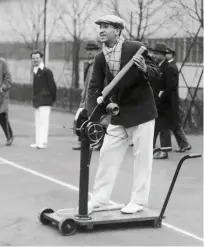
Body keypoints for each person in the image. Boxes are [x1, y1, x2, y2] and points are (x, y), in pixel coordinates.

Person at [86, 15, 160, 214]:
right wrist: (92, 113)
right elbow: (94, 88)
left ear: (118, 30)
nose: (101, 30)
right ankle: (101, 199)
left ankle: (138, 201)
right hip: (119, 113)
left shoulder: (135, 47)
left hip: (142, 111)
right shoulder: (101, 57)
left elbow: (156, 72)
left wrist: (145, 69)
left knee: (142, 158)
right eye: (100, 26)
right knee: (107, 153)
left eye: (106, 26)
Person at [149, 43, 191, 159]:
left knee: (163, 126)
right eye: (153, 53)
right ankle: (152, 149)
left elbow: (170, 87)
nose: (154, 55)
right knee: (158, 126)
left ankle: (164, 151)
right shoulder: (159, 66)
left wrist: (160, 97)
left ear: (163, 55)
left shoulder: (169, 68)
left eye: (157, 54)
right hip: (160, 103)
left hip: (167, 104)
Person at [72, 41, 101, 150]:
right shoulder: (89, 64)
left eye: (92, 50)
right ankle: (83, 142)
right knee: (83, 119)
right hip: (86, 97)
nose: (89, 52)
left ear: (97, 51)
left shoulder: (96, 65)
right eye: (88, 50)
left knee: (92, 120)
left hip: (92, 98)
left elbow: (92, 84)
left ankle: (93, 142)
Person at [30, 50, 57, 149]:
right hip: (37, 101)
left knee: (44, 122)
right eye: (33, 58)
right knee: (38, 121)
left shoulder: (47, 71)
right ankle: (38, 142)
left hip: (45, 101)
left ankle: (43, 142)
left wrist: (51, 99)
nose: (35, 60)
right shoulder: (35, 70)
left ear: (41, 58)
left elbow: (53, 87)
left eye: (37, 58)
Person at [0, 57, 14, 146]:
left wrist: (3, 87)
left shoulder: (2, 63)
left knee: (2, 116)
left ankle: (9, 137)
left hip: (1, 94)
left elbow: (8, 78)